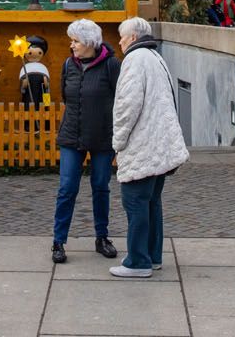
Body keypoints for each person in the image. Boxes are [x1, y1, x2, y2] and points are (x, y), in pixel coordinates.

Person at [110, 16, 189, 279]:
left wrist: (118, 143)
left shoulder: (134, 60)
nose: (119, 41)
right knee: (152, 202)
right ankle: (153, 256)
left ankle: (138, 261)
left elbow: (127, 106)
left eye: (122, 36)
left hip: (143, 144)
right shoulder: (156, 57)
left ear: (132, 37)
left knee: (135, 202)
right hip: (160, 143)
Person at [52, 18, 122, 264]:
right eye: (71, 41)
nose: (72, 45)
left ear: (91, 43)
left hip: (102, 137)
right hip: (71, 135)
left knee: (101, 187)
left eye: (76, 41)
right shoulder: (68, 65)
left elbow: (120, 99)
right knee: (67, 188)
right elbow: (65, 95)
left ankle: (102, 237)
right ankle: (58, 241)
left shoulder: (111, 65)